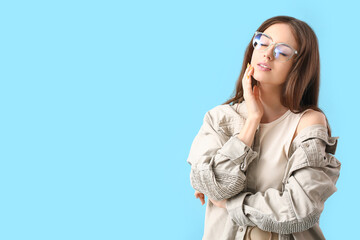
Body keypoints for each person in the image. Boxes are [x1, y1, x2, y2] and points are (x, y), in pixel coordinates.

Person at [186, 15, 341, 240]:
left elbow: (300, 209)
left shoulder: (308, 122)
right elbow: (218, 187)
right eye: (263, 42)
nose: (267, 54)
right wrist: (252, 121)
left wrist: (231, 204)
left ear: (299, 65)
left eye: (282, 51)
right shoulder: (219, 118)